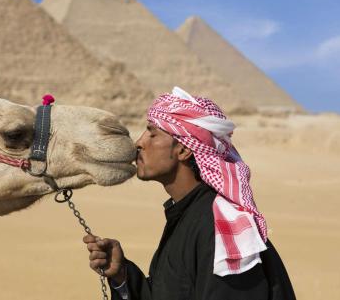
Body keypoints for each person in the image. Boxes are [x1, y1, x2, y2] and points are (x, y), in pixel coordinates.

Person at [84, 87, 296, 300]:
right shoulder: (188, 215)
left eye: (152, 133)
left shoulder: (223, 227)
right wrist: (123, 277)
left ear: (184, 150)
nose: (139, 142)